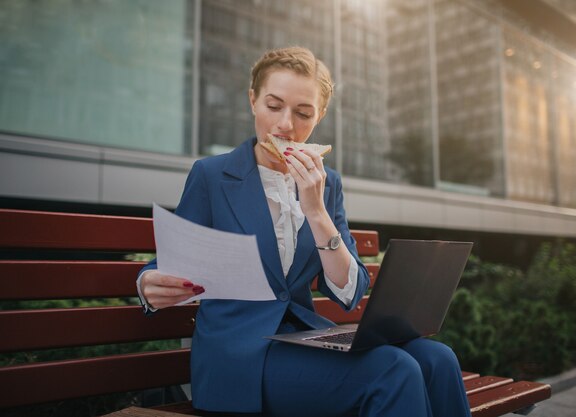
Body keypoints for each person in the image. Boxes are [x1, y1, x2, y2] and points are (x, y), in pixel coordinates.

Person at [137, 46, 471, 417]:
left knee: (437, 358)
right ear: (252, 100)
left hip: (304, 338)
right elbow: (171, 261)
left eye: (302, 113)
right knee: (394, 370)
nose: (285, 125)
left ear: (320, 115)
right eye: (273, 105)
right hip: (238, 359)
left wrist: (315, 210)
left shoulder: (326, 184)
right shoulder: (212, 176)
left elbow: (350, 292)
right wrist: (148, 282)